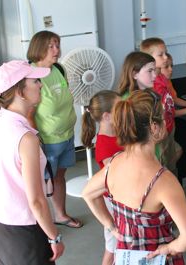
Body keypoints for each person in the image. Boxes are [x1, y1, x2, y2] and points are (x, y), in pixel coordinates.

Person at [0, 60, 65, 264]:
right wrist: (54, 236)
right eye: (35, 81)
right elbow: (36, 201)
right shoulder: (25, 138)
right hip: (24, 227)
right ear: (20, 91)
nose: (41, 85)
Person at [82, 89, 186, 265]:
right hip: (155, 256)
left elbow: (88, 194)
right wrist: (168, 248)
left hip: (125, 255)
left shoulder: (113, 164)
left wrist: (112, 227)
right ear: (154, 127)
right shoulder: (163, 181)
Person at [27, 30, 82, 228]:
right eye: (51, 46)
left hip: (67, 136)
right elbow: (29, 113)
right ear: (38, 47)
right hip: (47, 141)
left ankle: (60, 215)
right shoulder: (30, 75)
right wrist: (36, 141)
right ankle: (39, 224)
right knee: (41, 183)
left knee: (59, 176)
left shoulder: (59, 69)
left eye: (57, 44)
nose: (56, 49)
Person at [81, 90, 122, 265]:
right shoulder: (104, 144)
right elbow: (115, 174)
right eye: (119, 109)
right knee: (112, 248)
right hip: (112, 202)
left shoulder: (118, 132)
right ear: (106, 116)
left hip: (121, 198)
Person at [140, 37, 180, 176]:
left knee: (171, 163)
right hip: (160, 132)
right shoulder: (151, 84)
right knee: (162, 167)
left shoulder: (162, 78)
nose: (165, 57)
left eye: (165, 53)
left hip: (169, 128)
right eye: (160, 55)